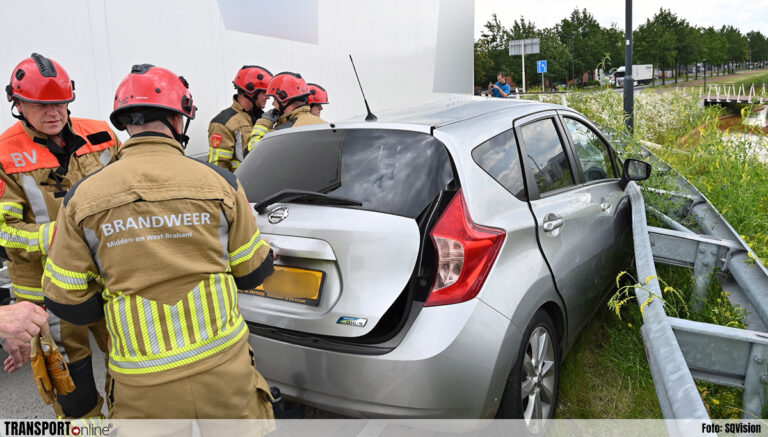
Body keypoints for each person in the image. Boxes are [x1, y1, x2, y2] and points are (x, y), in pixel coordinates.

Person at [43, 64, 276, 424]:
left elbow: (66, 299)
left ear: (124, 122)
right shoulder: (220, 183)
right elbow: (252, 273)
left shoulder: (81, 198)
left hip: (141, 387)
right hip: (225, 372)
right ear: (178, 120)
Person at [0, 53, 119, 417]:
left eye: (60, 103)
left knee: (132, 367)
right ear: (18, 104)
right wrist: (59, 236)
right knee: (74, 392)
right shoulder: (4, 153)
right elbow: (4, 231)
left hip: (106, 279)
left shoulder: (101, 134)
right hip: (46, 293)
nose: (53, 112)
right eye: (40, 105)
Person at [208, 65, 272, 172]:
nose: (268, 97)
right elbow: (219, 167)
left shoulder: (263, 118)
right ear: (250, 91)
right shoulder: (223, 122)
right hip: (240, 185)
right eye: (264, 92)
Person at [247, 72, 325, 151]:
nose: (273, 104)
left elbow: (252, 152)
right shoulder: (324, 125)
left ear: (284, 101)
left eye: (274, 100)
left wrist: (264, 122)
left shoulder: (281, 133)